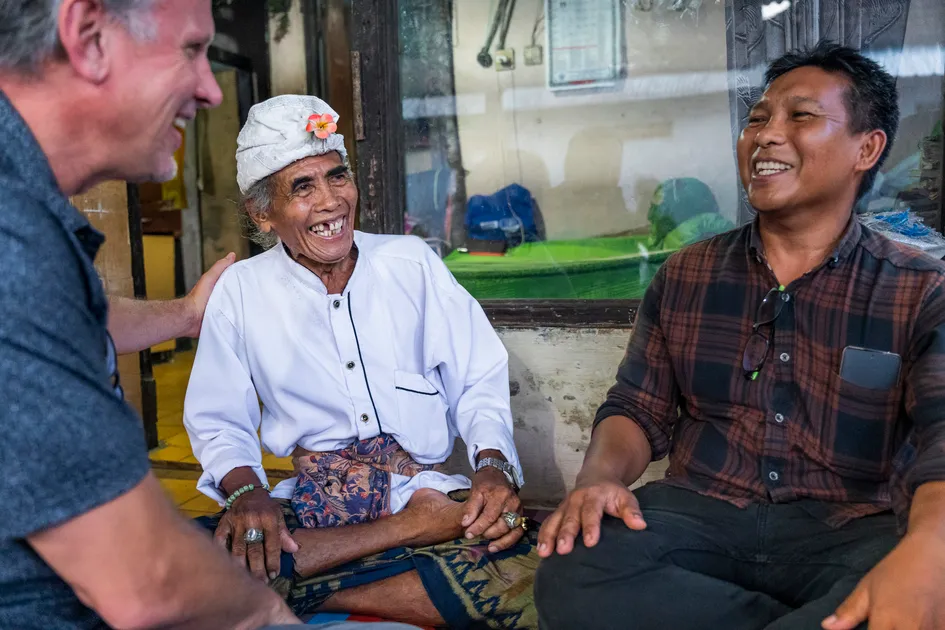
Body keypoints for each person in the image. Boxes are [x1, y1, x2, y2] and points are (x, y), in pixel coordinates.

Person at [0, 1, 396, 628]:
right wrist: (266, 615)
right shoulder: (11, 235)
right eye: (190, 50)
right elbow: (144, 582)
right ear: (88, 35)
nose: (209, 89)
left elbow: (63, 318)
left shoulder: (25, 213)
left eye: (336, 178)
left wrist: (185, 315)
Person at [534, 41, 945, 630]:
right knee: (574, 568)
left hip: (851, 530)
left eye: (800, 116)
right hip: (698, 514)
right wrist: (597, 480)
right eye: (757, 118)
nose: (766, 135)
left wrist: (931, 549)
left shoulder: (919, 288)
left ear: (867, 147)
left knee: (908, 590)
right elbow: (635, 408)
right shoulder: (689, 273)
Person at [183, 94, 539, 629]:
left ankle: (309, 589)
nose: (330, 201)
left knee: (545, 575)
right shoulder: (240, 291)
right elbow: (218, 418)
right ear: (263, 213)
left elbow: (478, 378)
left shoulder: (411, 262)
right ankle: (407, 543)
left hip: (426, 492)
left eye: (337, 177)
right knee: (187, 561)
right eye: (302, 187)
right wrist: (248, 492)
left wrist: (492, 465)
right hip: (317, 509)